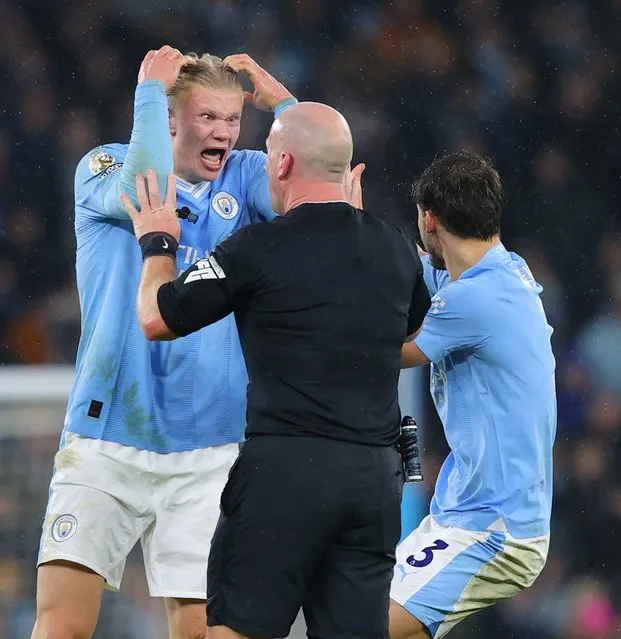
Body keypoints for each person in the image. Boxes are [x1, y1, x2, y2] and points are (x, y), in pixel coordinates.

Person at [120, 101, 431, 639]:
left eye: (267, 154)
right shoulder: (396, 247)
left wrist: (158, 242)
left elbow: (156, 317)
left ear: (283, 164)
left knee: (236, 630)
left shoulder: (257, 248)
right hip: (373, 484)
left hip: (285, 473)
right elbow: (413, 334)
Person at [32, 47, 302, 639]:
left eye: (233, 120)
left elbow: (317, 171)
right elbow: (145, 186)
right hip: (106, 432)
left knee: (201, 630)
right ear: (169, 121)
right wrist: (149, 94)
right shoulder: (104, 167)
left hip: (209, 442)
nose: (224, 134)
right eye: (207, 118)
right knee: (62, 624)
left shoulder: (246, 177)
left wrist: (280, 99)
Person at [389, 151, 556, 639]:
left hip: (494, 528)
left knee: (357, 623)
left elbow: (384, 353)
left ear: (430, 219)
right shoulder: (501, 271)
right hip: (467, 513)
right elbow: (423, 268)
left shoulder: (473, 300)